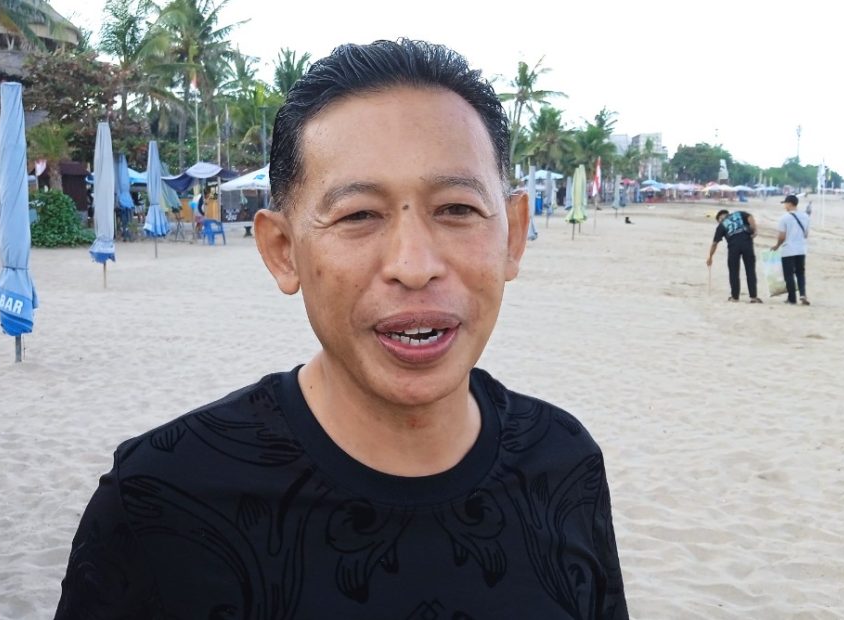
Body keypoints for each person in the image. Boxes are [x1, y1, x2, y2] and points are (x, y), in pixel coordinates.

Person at [55, 39, 626, 618]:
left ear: (513, 236)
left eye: (457, 209)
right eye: (359, 215)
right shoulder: (158, 501)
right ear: (283, 251)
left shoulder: (564, 463)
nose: (413, 266)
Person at [707, 208, 762, 303]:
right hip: (747, 243)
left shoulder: (721, 225)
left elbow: (714, 243)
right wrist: (754, 230)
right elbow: (750, 216)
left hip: (733, 247)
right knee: (750, 270)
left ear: (720, 218)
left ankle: (735, 297)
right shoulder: (739, 213)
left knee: (733, 272)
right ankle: (753, 297)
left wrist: (710, 257)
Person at [771, 194, 810, 305]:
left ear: (790, 204)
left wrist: (777, 245)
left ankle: (792, 298)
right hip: (801, 249)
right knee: (800, 273)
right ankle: (802, 294)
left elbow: (782, 236)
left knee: (789, 274)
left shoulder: (784, 218)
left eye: (785, 204)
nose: (784, 206)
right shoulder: (805, 216)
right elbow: (806, 234)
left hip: (788, 250)